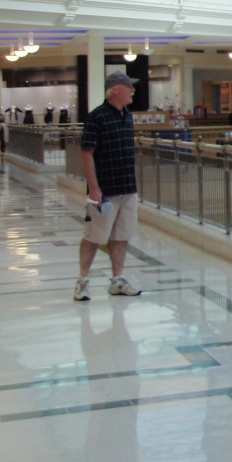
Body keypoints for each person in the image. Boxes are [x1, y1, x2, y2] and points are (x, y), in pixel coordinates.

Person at [74, 72, 142, 301]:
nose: (133, 90)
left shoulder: (128, 116)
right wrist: (94, 188)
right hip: (105, 191)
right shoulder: (97, 116)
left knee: (122, 236)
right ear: (115, 89)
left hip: (128, 188)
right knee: (94, 236)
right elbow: (87, 152)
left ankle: (117, 280)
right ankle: (82, 282)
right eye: (128, 86)